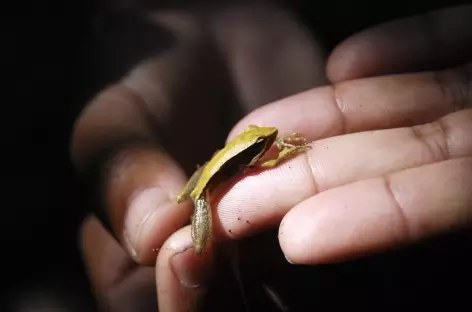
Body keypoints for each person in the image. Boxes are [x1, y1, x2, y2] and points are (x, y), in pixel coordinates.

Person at [73, 3, 472, 312]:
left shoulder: (256, 145)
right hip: (206, 190)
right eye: (261, 140)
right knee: (201, 238)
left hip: (214, 167)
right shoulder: (252, 153)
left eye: (263, 140)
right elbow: (255, 161)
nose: (267, 140)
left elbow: (257, 155)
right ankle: (197, 244)